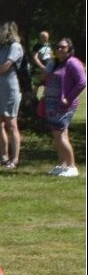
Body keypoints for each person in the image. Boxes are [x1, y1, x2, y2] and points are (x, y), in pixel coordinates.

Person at [43, 37, 87, 177]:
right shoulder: (57, 63)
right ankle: (62, 165)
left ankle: (72, 166)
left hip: (64, 105)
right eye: (58, 47)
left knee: (60, 134)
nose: (60, 49)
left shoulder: (73, 63)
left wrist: (68, 98)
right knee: (58, 135)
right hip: (52, 105)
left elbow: (82, 82)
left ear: (69, 49)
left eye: (63, 47)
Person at [0, 21, 24, 168]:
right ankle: (3, 156)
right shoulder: (0, 48)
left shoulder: (16, 47)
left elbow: (6, 66)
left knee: (11, 122)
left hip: (11, 87)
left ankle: (14, 159)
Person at [32, 31, 54, 95]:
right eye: (44, 37)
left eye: (47, 37)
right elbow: (35, 58)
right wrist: (42, 67)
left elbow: (52, 55)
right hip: (38, 70)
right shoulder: (36, 46)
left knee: (48, 85)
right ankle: (33, 100)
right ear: (40, 38)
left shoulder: (50, 45)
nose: (46, 39)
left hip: (48, 69)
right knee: (36, 85)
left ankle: (44, 100)